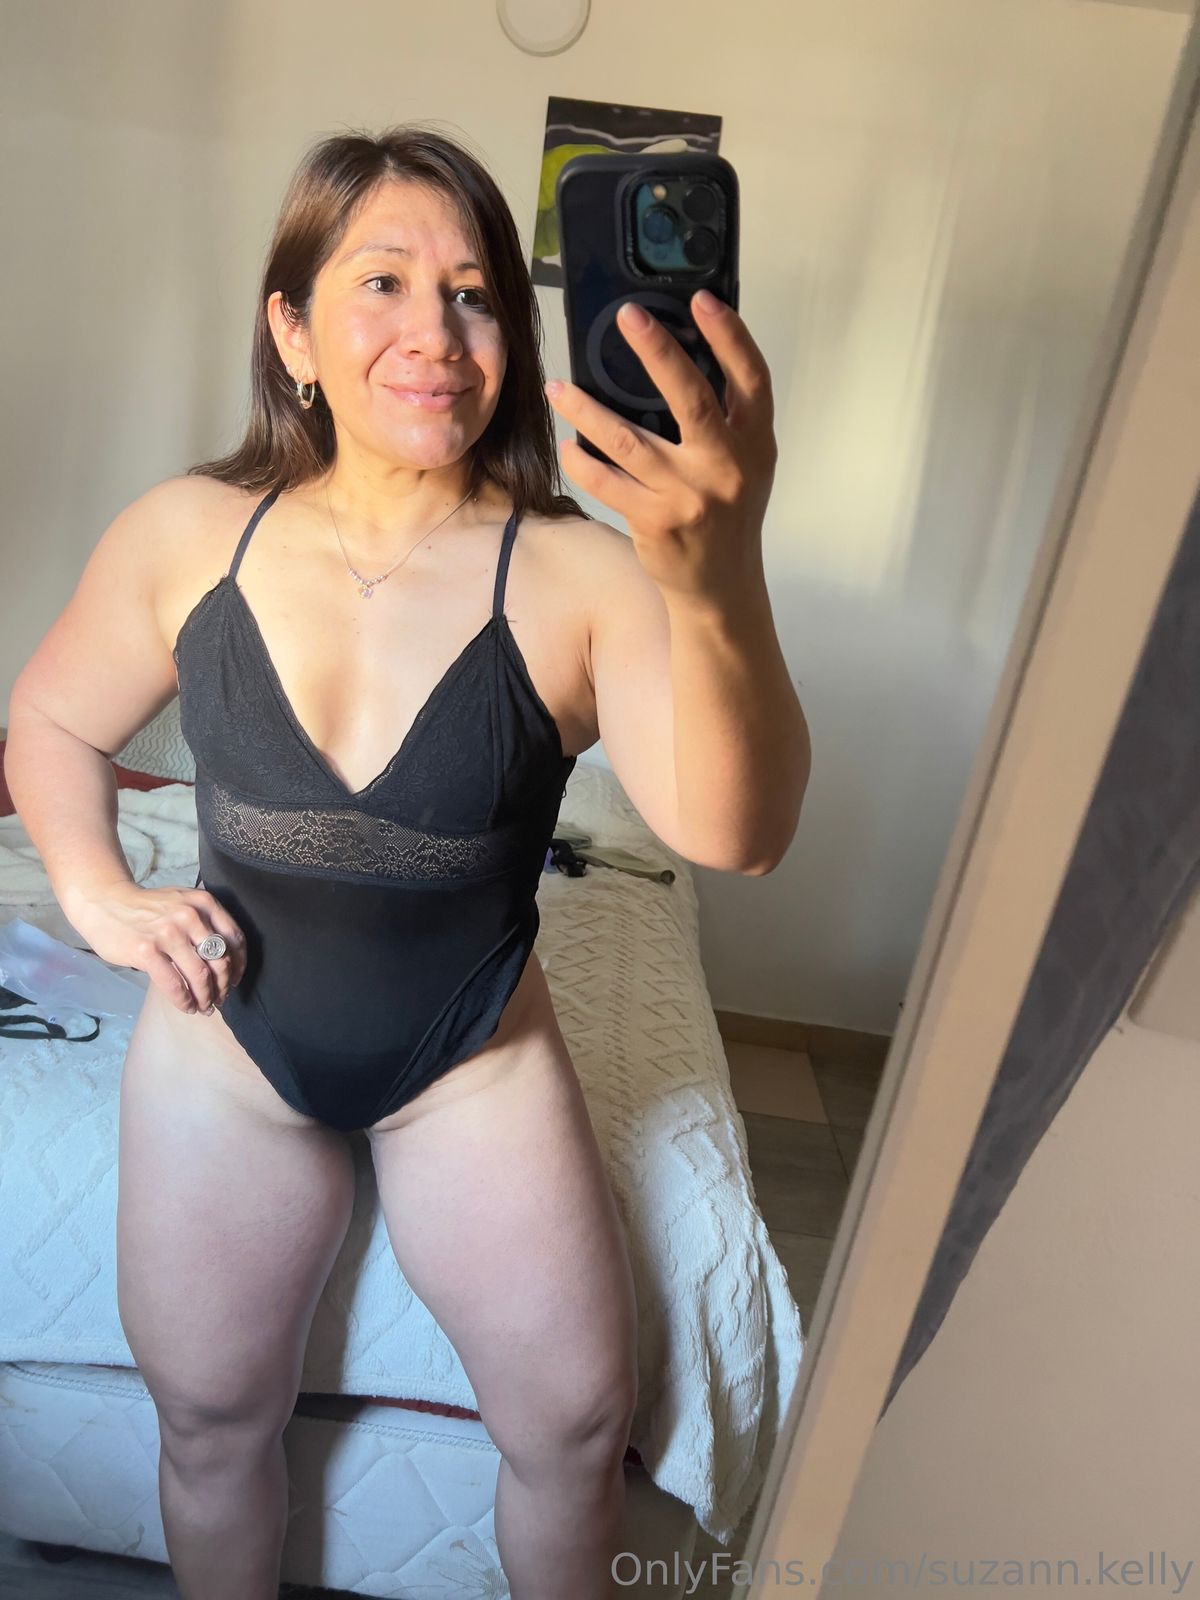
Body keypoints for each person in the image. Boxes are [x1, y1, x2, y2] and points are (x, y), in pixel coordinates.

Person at [3, 124, 809, 1599]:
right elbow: (50, 720)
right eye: (382, 281)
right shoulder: (187, 534)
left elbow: (735, 838)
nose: (434, 331)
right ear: (292, 331)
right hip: (224, 1050)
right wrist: (97, 891)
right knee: (208, 1424)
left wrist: (723, 570)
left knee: (576, 1432)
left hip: (473, 1063)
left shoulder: (580, 571)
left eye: (475, 293)